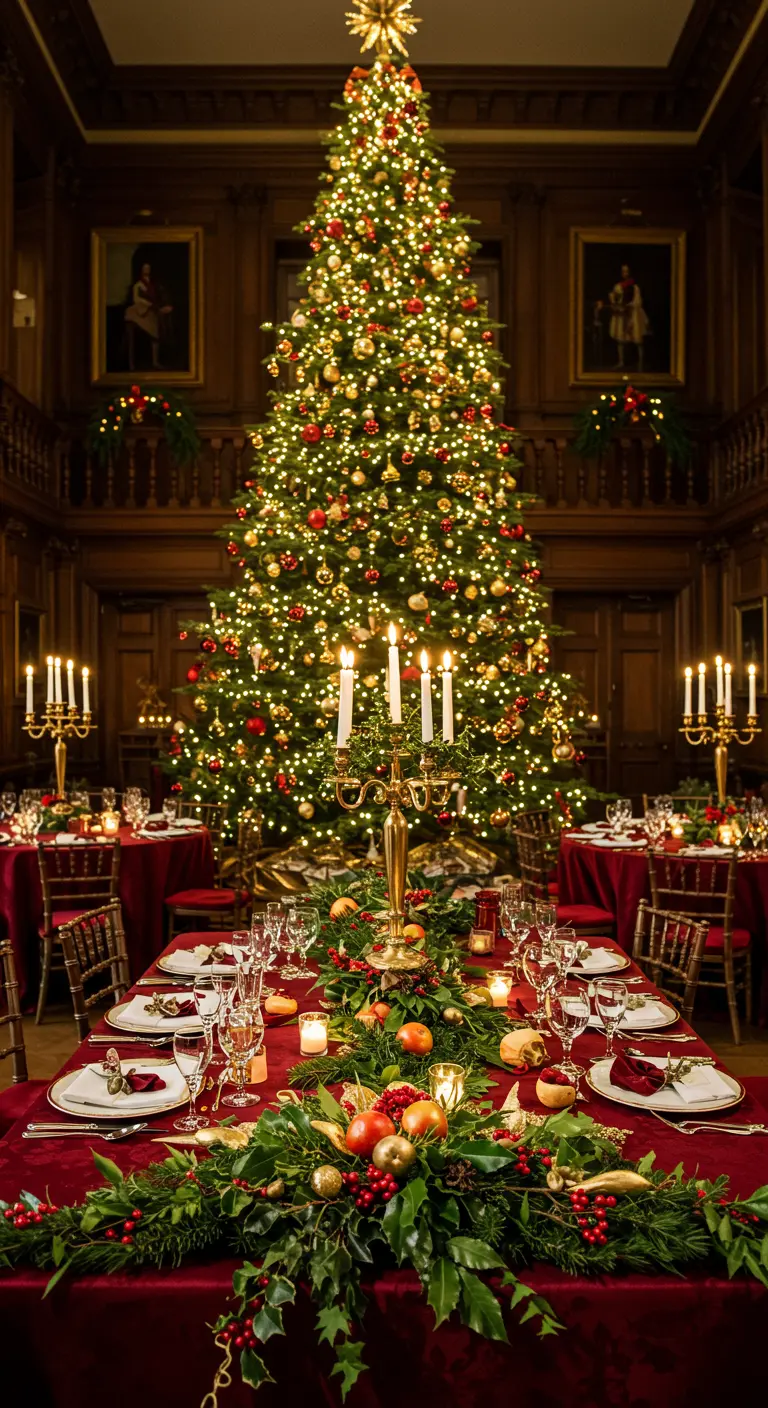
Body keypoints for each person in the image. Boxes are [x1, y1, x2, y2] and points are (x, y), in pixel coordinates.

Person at [124, 262, 173, 369]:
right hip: (141, 310)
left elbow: (158, 297)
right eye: (145, 268)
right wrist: (148, 304)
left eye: (148, 268)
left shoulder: (154, 284)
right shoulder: (138, 285)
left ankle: (155, 361)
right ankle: (131, 363)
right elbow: (136, 299)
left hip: (152, 309)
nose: (147, 270)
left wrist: (159, 305)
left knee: (157, 329)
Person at [607, 263, 649, 371]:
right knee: (620, 340)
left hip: (633, 314)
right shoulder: (618, 286)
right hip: (621, 314)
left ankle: (641, 363)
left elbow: (638, 301)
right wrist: (614, 302)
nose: (625, 273)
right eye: (623, 271)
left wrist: (629, 306)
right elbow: (614, 298)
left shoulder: (635, 287)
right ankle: (621, 361)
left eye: (627, 271)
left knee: (638, 340)